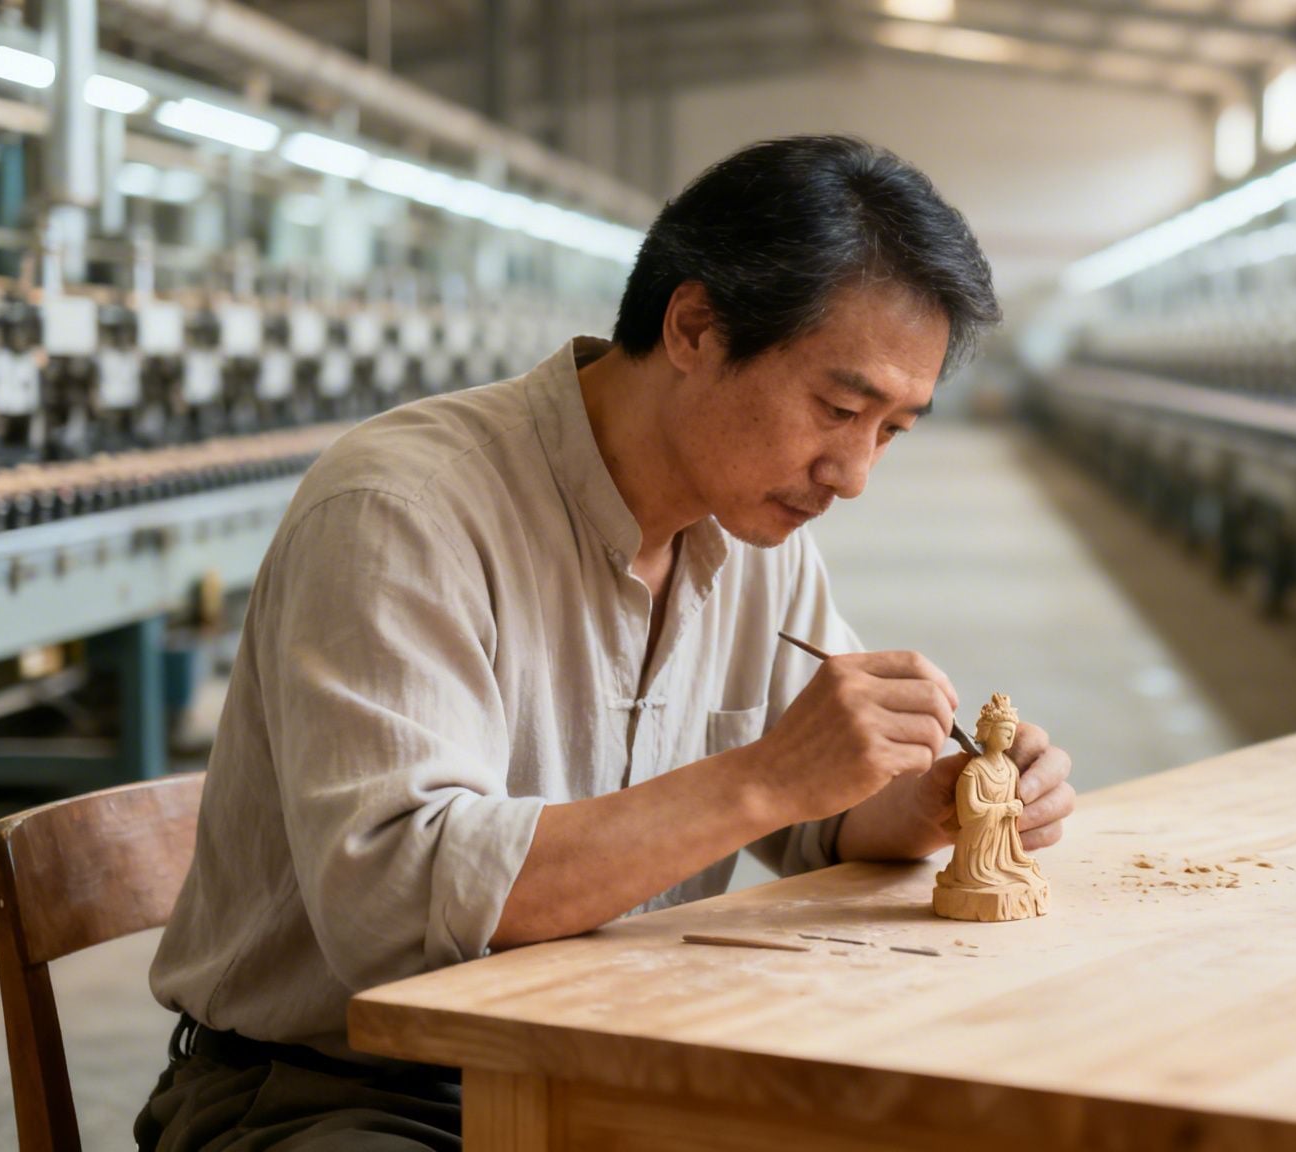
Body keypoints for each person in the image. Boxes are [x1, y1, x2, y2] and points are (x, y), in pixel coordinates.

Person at [134, 134, 1077, 1150]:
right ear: (694, 327)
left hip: (610, 1058)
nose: (850, 473)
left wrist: (937, 798)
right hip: (351, 1092)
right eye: (838, 408)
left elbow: (825, 815)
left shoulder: (757, 537)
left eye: (890, 430)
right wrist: (764, 778)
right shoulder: (402, 512)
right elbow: (392, 907)